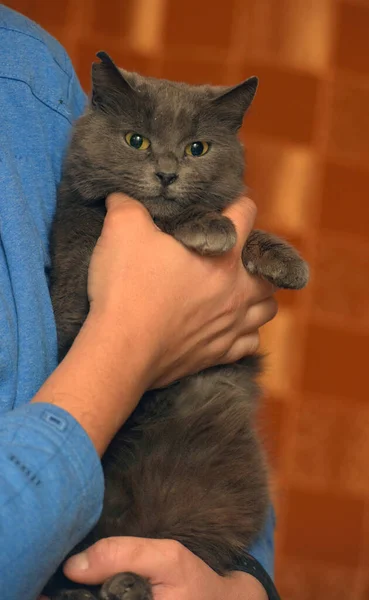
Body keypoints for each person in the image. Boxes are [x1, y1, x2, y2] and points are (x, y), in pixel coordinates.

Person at [0, 5, 278, 600]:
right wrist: (133, 339)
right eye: (138, 141)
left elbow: (223, 411)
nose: (168, 168)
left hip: (189, 502)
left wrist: (245, 583)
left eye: (197, 149)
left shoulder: (30, 67)